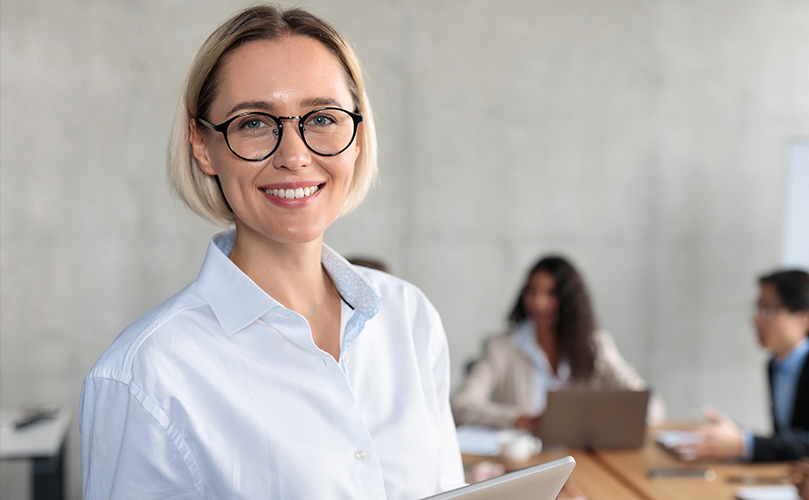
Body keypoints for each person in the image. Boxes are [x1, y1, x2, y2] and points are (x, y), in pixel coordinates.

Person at [79, 6, 464, 499]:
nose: (295, 155)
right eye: (255, 123)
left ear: (358, 135)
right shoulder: (144, 376)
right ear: (202, 144)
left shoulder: (410, 321)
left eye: (322, 117)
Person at [451, 255, 665, 432]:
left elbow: (652, 408)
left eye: (551, 294)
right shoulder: (501, 348)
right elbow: (460, 406)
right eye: (532, 291)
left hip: (585, 460)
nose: (538, 302)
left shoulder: (595, 346)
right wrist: (522, 420)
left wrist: (600, 420)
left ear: (569, 301)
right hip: (527, 463)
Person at [673, 269, 809, 462]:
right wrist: (736, 436)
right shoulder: (773, 365)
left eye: (768, 310)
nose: (756, 319)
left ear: (804, 318)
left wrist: (745, 443)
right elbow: (785, 439)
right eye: (757, 309)